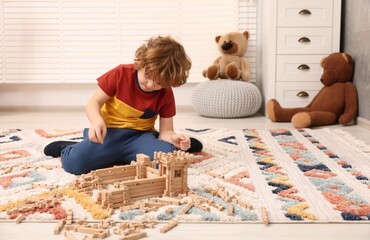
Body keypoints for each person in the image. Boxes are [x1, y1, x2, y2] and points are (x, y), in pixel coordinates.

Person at [44, 35, 203, 175]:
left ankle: (175, 146)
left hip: (140, 136)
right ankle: (69, 147)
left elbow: (166, 131)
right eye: (147, 76)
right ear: (141, 63)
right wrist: (97, 122)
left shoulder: (166, 93)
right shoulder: (120, 74)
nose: (150, 84)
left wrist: (173, 138)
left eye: (159, 83)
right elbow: (94, 103)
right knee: (74, 163)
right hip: (110, 134)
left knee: (171, 161)